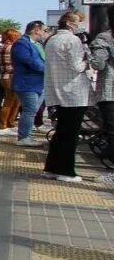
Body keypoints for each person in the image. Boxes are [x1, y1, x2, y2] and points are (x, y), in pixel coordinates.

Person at [42, 11, 93, 182]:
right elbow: (77, 66)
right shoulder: (73, 40)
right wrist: (89, 59)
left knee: (61, 132)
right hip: (74, 93)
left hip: (57, 90)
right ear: (71, 23)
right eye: (78, 22)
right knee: (71, 134)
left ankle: (52, 168)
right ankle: (66, 171)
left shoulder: (52, 40)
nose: (80, 26)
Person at [11, 21, 49, 146]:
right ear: (36, 30)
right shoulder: (21, 44)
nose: (45, 33)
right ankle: (23, 138)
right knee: (30, 110)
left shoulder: (35, 44)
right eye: (44, 30)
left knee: (32, 110)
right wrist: (48, 69)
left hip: (37, 84)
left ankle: (25, 135)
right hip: (27, 84)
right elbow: (31, 62)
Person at [0, 28, 21, 134]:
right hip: (11, 76)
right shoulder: (11, 48)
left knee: (14, 101)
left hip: (4, 76)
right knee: (9, 102)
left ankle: (10, 123)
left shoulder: (0, 48)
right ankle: (3, 126)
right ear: (13, 37)